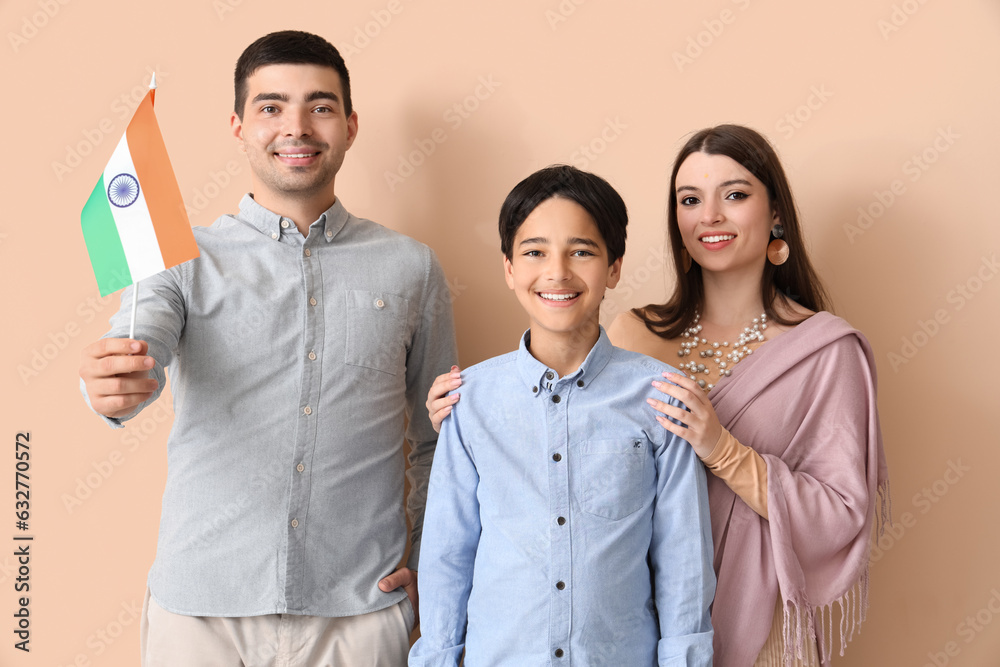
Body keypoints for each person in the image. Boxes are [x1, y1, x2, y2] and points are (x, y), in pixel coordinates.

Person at [427, 126, 889, 667]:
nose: (709, 216)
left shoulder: (823, 351)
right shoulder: (634, 332)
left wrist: (722, 449)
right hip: (624, 631)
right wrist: (469, 412)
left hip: (752, 621)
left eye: (735, 195)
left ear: (776, 214)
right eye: (690, 200)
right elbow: (555, 406)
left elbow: (838, 514)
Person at [79, 30, 457, 666]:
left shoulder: (412, 268)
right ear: (238, 125)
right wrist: (112, 382)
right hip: (200, 613)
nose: (297, 127)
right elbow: (137, 347)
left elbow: (438, 439)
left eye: (321, 106)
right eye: (271, 106)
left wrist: (429, 565)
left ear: (350, 124)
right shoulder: (177, 260)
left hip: (359, 613)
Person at [410, 165, 715, 666]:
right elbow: (448, 555)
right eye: (534, 252)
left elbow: (684, 560)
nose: (557, 271)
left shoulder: (660, 399)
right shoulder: (470, 403)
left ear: (614, 266)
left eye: (581, 251)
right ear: (509, 268)